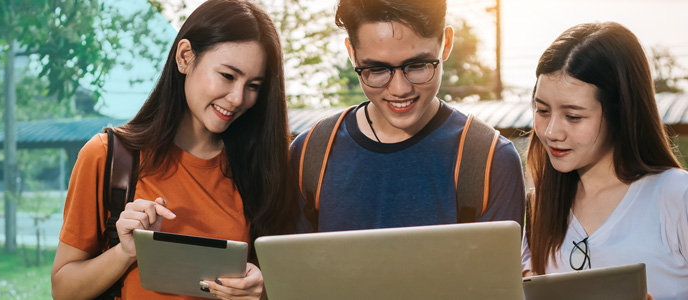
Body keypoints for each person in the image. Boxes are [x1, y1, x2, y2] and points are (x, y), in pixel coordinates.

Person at [51, 0, 298, 299]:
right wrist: (125, 252)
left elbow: (292, 282)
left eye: (254, 85)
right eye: (228, 76)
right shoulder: (107, 156)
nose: (237, 98)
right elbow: (63, 290)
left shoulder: (267, 166)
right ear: (185, 57)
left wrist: (262, 288)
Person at [289, 0, 525, 232]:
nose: (400, 89)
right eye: (377, 70)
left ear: (446, 43)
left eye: (418, 65)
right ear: (352, 52)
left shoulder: (490, 161)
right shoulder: (309, 155)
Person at [522, 22, 688, 300]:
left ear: (620, 112)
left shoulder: (677, 195)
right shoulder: (539, 207)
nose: (551, 132)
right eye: (542, 110)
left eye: (573, 116)